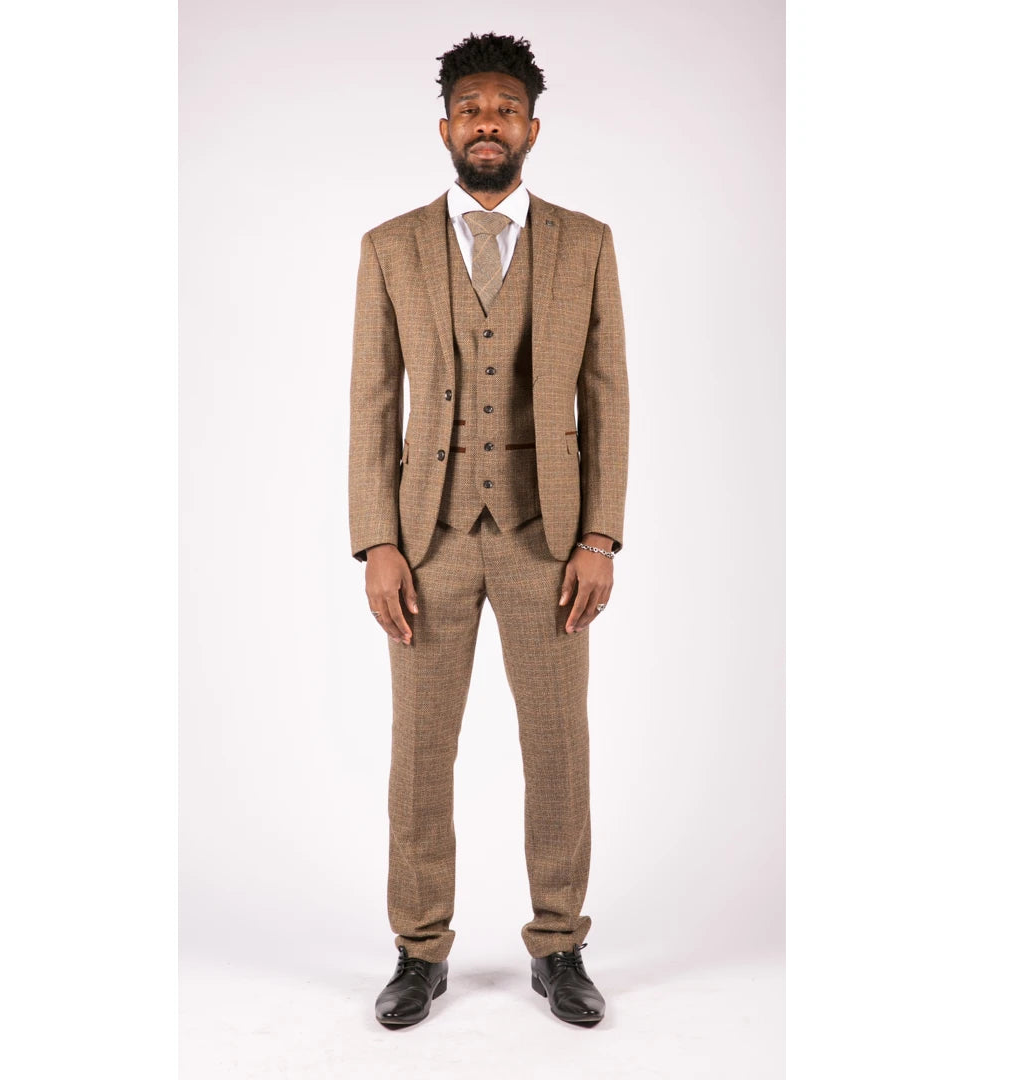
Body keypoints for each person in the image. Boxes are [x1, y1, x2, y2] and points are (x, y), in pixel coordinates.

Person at [348, 31, 629, 1028]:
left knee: (558, 747)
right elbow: (372, 401)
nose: (487, 124)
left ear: (532, 130)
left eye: (505, 110)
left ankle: (559, 944)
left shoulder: (586, 243)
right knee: (420, 753)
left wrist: (599, 538)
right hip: (425, 541)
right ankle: (418, 949)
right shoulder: (389, 246)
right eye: (471, 109)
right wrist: (377, 541)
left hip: (546, 541)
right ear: (445, 127)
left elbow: (608, 396)